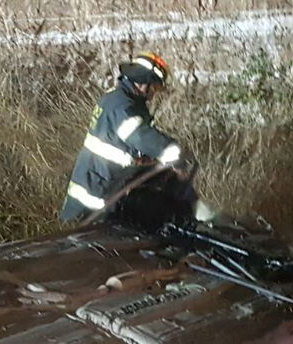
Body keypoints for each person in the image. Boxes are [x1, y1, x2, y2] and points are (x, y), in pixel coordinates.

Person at [59, 52, 199, 225]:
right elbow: (139, 136)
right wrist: (173, 151)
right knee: (95, 240)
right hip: (96, 188)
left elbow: (131, 146)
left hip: (104, 178)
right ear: (143, 83)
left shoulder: (123, 99)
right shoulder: (121, 104)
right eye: (154, 87)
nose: (153, 94)